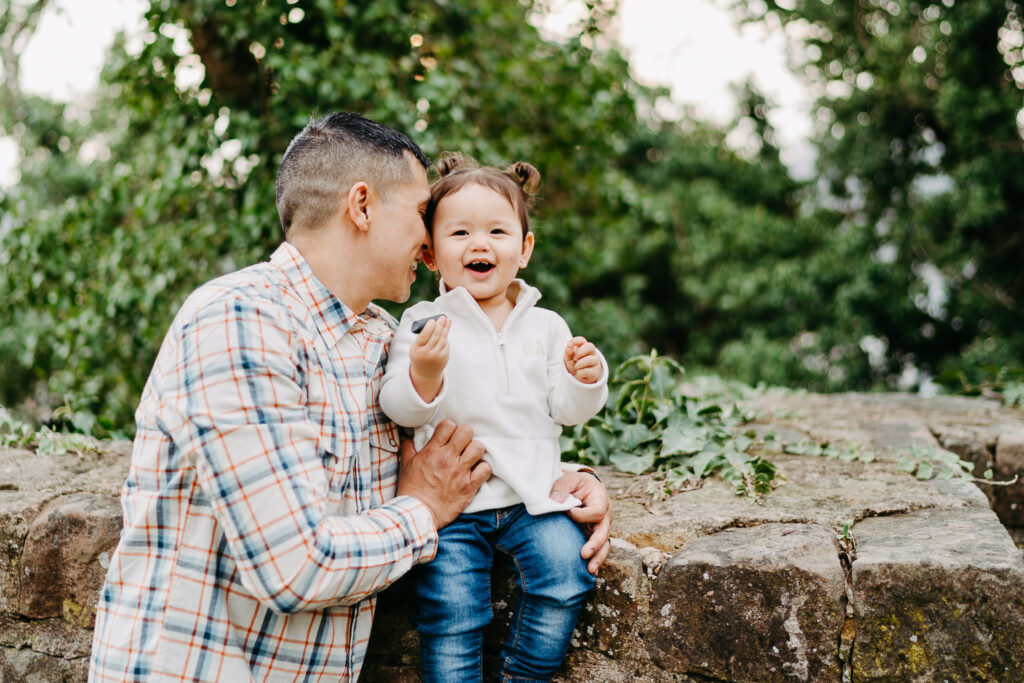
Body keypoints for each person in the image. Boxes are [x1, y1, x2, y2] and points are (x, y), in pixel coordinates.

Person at [88, 112, 611, 682]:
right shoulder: (240, 318)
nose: (431, 240)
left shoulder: (382, 339)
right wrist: (423, 512)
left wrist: (561, 480)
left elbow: (465, 420)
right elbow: (294, 566)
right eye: (421, 215)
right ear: (362, 207)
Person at [379, 153, 609, 682]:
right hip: (453, 506)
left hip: (534, 497)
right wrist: (426, 374)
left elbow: (566, 412)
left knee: (566, 576)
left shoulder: (548, 327)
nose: (479, 244)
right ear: (432, 255)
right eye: (459, 232)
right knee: (453, 613)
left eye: (498, 231)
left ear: (523, 250)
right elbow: (398, 405)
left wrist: (585, 379)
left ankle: (523, 676)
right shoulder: (421, 321)